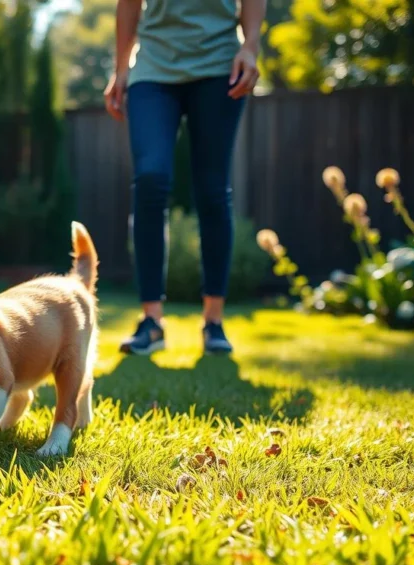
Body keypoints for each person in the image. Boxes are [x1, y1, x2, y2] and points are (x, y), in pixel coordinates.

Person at [105, 0, 266, 355]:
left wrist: (250, 46)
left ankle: (213, 320)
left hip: (219, 65)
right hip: (153, 69)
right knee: (149, 177)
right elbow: (129, 4)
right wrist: (120, 68)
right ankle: (152, 320)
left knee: (211, 189)